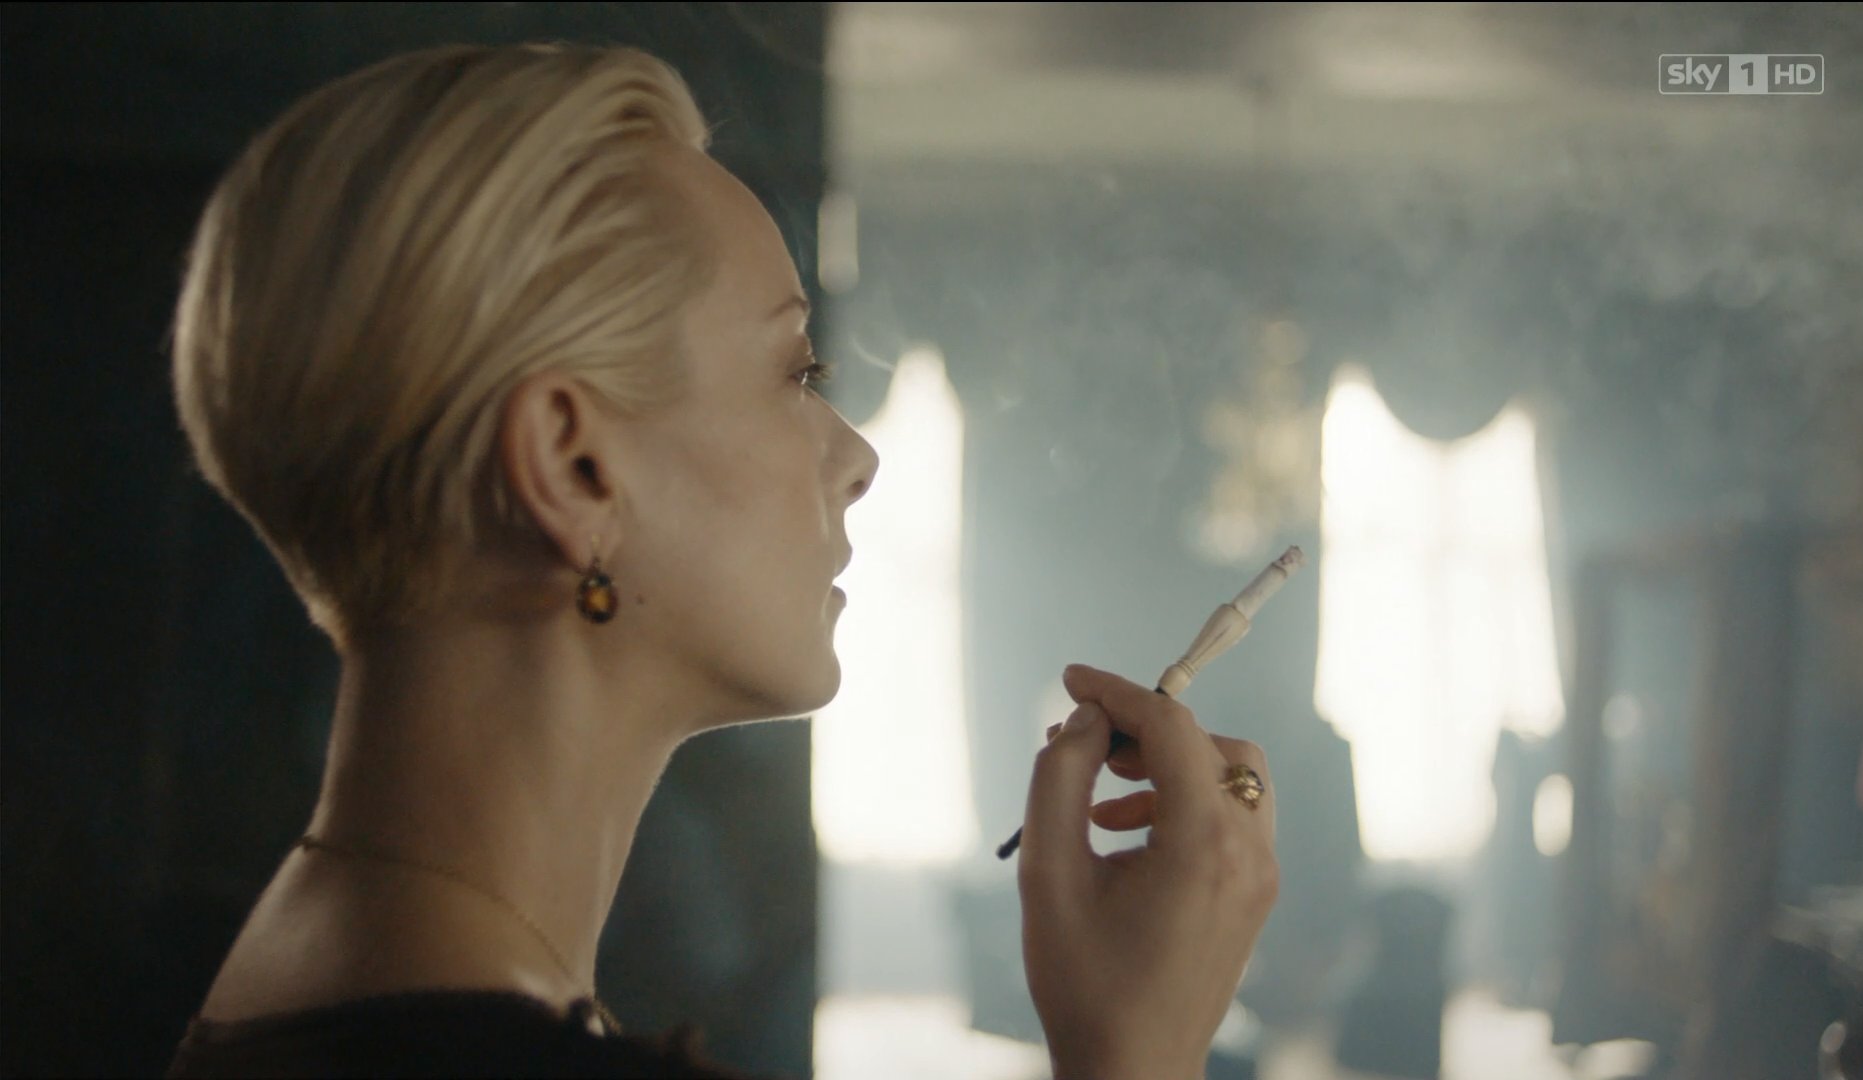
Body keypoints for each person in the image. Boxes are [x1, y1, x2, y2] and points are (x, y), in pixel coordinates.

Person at [162, 42, 1280, 1079]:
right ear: (572, 466)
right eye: (796, 373)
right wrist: (1138, 1048)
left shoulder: (297, 998)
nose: (857, 458)